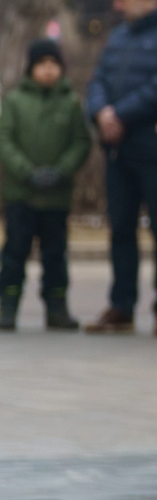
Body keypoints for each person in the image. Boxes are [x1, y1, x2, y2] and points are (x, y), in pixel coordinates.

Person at [82, 0, 157, 335]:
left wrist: (122, 114)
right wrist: (100, 112)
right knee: (122, 229)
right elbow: (98, 79)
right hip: (120, 149)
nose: (117, 5)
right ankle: (122, 304)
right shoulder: (120, 36)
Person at [1, 38, 90, 331]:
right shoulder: (14, 102)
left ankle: (57, 307)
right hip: (21, 195)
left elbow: (80, 142)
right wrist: (28, 172)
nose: (49, 71)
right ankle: (7, 305)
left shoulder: (70, 103)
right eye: (43, 64)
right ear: (31, 68)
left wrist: (60, 171)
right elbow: (5, 141)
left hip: (56, 196)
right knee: (14, 253)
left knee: (55, 255)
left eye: (54, 65)